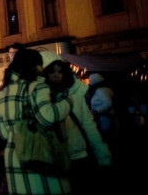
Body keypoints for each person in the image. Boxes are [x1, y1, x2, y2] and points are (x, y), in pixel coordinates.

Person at [0, 47, 73, 194]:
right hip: (38, 154)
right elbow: (47, 117)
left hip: (15, 156)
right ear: (34, 66)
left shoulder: (1, 95)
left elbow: (4, 133)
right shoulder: (36, 87)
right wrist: (67, 103)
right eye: (40, 64)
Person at [41, 52, 111, 193]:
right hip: (56, 159)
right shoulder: (42, 100)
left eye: (60, 72)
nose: (56, 75)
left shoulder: (76, 96)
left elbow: (88, 125)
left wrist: (102, 155)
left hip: (79, 156)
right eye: (52, 72)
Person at [86, 73, 116, 144]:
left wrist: (96, 110)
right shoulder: (102, 89)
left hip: (103, 118)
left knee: (104, 137)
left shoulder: (100, 91)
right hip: (103, 117)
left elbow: (108, 103)